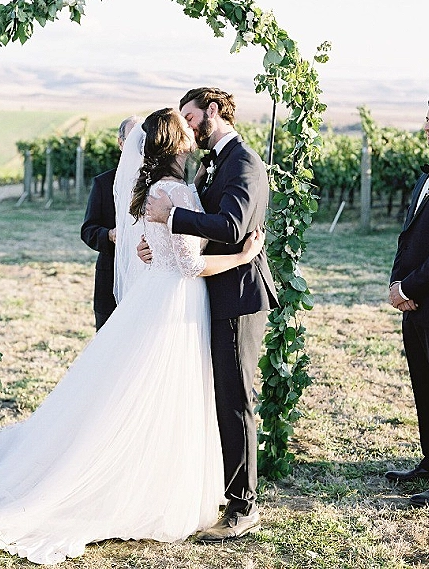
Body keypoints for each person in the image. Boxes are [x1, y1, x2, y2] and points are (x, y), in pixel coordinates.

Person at [0, 107, 265, 565]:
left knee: (154, 394)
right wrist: (242, 258)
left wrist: (158, 243)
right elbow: (188, 263)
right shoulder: (173, 191)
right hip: (176, 300)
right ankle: (153, 488)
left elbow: (163, 246)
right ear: (175, 143)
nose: (191, 131)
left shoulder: (162, 187)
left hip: (167, 299)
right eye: (184, 127)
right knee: (161, 394)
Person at [142, 87, 279, 541]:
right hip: (210, 291)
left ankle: (244, 507)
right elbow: (197, 235)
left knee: (236, 400)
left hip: (237, 296)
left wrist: (172, 217)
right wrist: (158, 243)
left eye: (190, 115)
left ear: (213, 111)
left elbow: (233, 227)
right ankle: (220, 490)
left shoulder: (244, 163)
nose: (185, 125)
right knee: (217, 397)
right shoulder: (210, 164)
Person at [386, 93, 429, 507]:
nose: (427, 126)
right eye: (426, 119)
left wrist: (409, 288)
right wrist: (398, 284)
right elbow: (408, 238)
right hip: (416, 305)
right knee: (424, 387)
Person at [81, 115, 141, 330]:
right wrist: (109, 235)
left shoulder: (158, 182)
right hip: (110, 277)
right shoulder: (103, 183)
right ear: (121, 143)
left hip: (146, 280)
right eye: (132, 139)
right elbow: (88, 230)